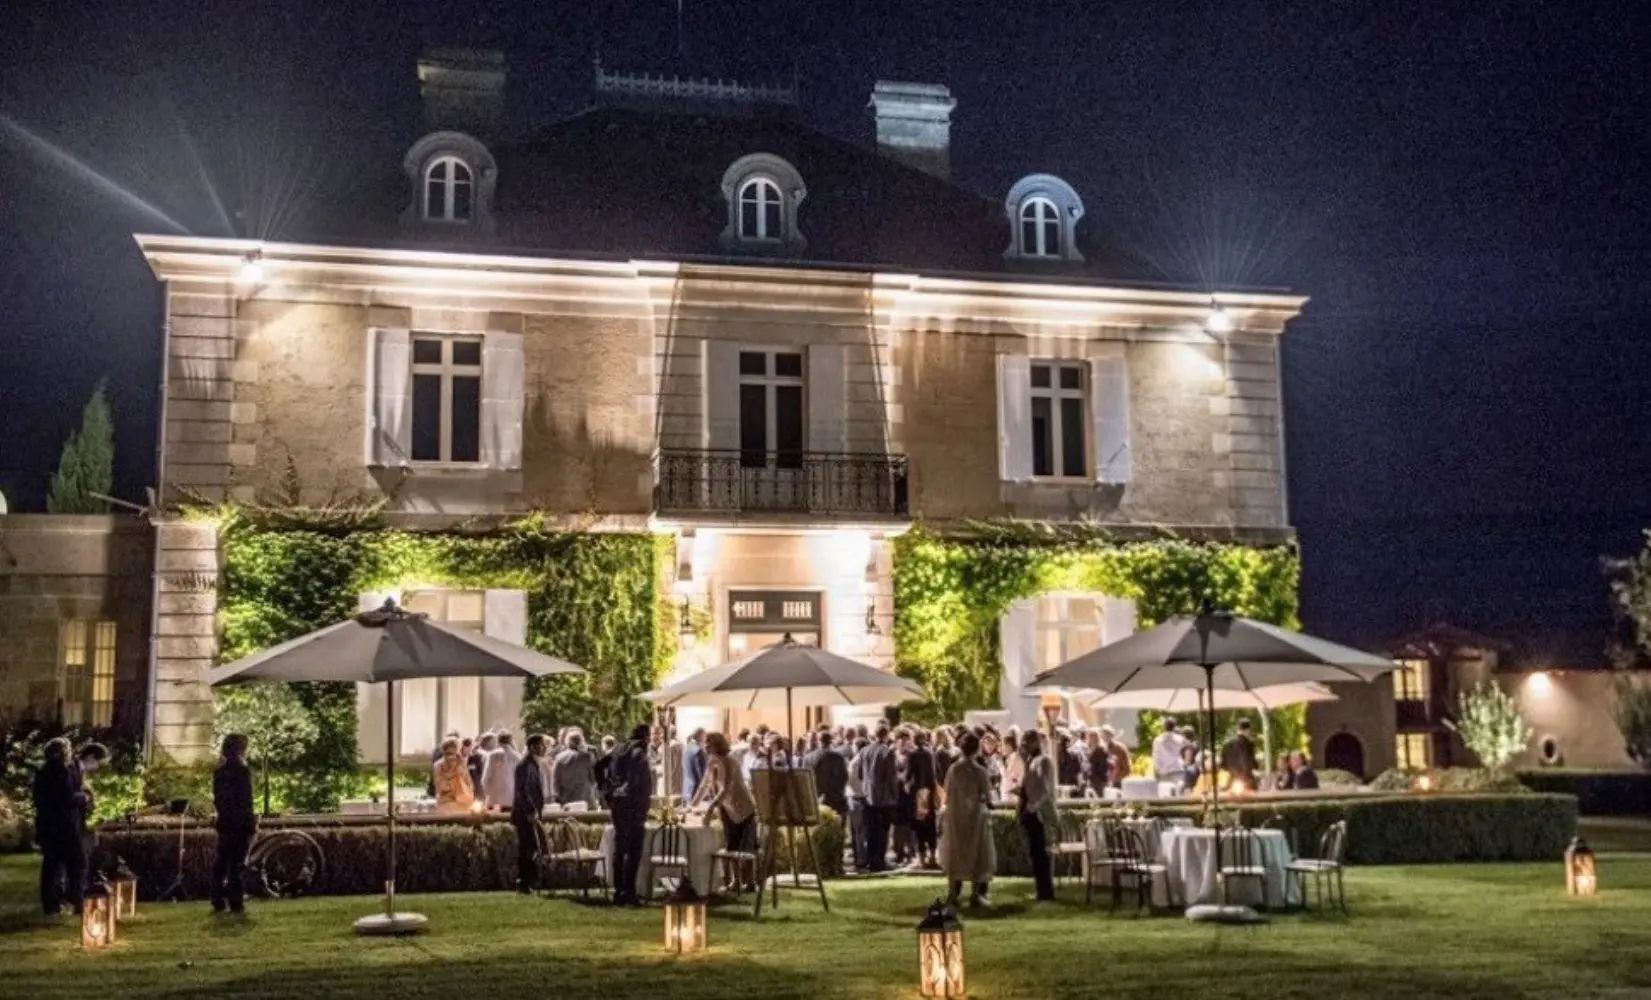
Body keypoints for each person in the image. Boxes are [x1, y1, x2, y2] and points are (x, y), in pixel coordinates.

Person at [689, 731, 758, 883]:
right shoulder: (711, 762)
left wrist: (711, 807)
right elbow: (704, 785)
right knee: (730, 846)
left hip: (744, 809)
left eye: (709, 744)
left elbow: (725, 788)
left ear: (717, 746)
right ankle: (735, 881)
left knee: (745, 848)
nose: (706, 747)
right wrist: (691, 805)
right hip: (727, 809)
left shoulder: (729, 762)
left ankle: (751, 882)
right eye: (705, 744)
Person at [939, 731, 996, 908]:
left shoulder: (953, 769)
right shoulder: (979, 771)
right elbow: (987, 796)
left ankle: (953, 893)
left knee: (956, 853)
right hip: (976, 818)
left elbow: (946, 795)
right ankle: (977, 893)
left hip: (956, 817)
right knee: (978, 853)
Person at [32, 737, 85, 916]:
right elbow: (64, 797)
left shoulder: (45, 771)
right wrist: (81, 798)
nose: (70, 753)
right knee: (75, 863)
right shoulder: (58, 771)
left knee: (52, 865)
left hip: (50, 826)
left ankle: (52, 904)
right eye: (67, 750)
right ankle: (74, 900)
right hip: (64, 826)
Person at [606, 724, 654, 906]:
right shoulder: (639, 754)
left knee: (620, 849)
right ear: (645, 737)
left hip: (618, 806)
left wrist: (611, 794)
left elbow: (604, 770)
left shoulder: (618, 750)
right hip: (634, 807)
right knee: (633, 851)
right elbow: (637, 780)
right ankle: (629, 892)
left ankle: (618, 891)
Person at [211, 734, 257, 914]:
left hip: (225, 822)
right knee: (237, 864)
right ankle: (235, 900)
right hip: (240, 822)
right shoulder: (242, 771)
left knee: (222, 861)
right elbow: (246, 800)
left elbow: (219, 799)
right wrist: (251, 822)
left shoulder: (219, 773)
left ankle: (217, 898)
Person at [1017, 731, 1058, 901]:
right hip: (1030, 811)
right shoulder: (1030, 761)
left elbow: (1046, 789)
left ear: (1035, 742)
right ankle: (1040, 889)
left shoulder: (1044, 761)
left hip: (1039, 813)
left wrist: (1033, 807)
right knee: (1034, 853)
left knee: (1041, 854)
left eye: (1027, 742)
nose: (1024, 745)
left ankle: (1046, 891)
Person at [853, 724, 899, 872]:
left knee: (870, 831)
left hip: (867, 797)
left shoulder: (864, 751)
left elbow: (860, 774)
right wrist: (894, 795)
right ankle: (880, 861)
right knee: (883, 832)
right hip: (884, 798)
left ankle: (871, 859)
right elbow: (891, 777)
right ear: (886, 735)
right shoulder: (888, 752)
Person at [511, 734, 549, 893]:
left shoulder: (532, 764)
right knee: (529, 847)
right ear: (533, 747)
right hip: (525, 814)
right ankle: (525, 881)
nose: (544, 748)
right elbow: (523, 791)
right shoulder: (525, 765)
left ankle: (529, 881)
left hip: (531, 811)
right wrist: (531, 810)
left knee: (531, 847)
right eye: (541, 745)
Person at [905, 728, 940, 869]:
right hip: (929, 791)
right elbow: (933, 774)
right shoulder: (930, 753)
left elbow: (909, 774)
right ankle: (932, 856)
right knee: (931, 824)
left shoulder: (912, 754)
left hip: (918, 793)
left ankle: (922, 858)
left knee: (920, 826)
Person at [803, 729, 851, 820]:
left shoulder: (808, 757)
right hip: (836, 799)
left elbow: (805, 780)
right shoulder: (838, 757)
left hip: (815, 797)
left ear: (818, 741)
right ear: (830, 741)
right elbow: (844, 777)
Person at [552, 729, 597, 807]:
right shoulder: (588, 757)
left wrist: (558, 794)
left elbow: (555, 779)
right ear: (581, 741)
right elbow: (593, 777)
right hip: (585, 796)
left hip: (566, 796)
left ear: (568, 742)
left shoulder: (559, 757)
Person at [433, 737, 476, 814]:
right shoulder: (439, 766)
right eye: (448, 753)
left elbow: (469, 783)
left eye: (454, 753)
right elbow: (441, 787)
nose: (451, 757)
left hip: (460, 802)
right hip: (448, 802)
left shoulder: (460, 764)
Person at [481, 731, 522, 810]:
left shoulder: (493, 755)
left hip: (494, 794)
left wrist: (485, 787)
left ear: (498, 741)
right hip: (510, 794)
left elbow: (487, 774)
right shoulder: (517, 756)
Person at [1221, 718, 1261, 790]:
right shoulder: (1248, 744)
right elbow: (1249, 762)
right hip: (1246, 780)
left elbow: (1223, 765)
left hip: (1231, 780)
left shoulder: (1227, 744)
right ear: (1248, 730)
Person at [1151, 717, 1186, 782]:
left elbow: (1156, 757)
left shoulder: (1157, 740)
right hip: (1177, 769)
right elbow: (1184, 753)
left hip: (1164, 771)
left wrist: (1157, 770)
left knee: (1165, 791)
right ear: (1174, 727)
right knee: (1178, 791)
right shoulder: (1180, 739)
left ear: (1164, 726)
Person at [682, 728, 707, 804]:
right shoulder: (698, 751)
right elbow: (702, 775)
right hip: (696, 791)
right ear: (702, 737)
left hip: (686, 788)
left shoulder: (686, 748)